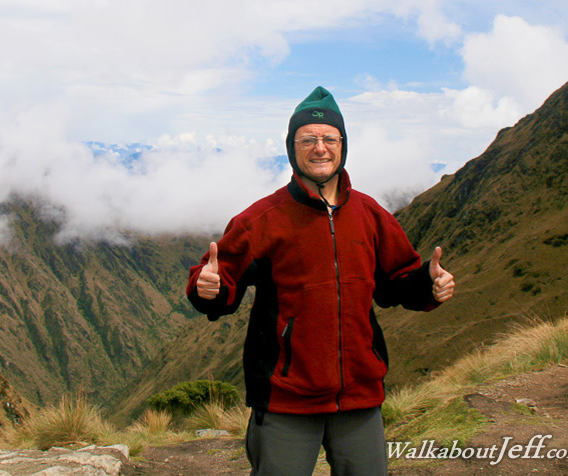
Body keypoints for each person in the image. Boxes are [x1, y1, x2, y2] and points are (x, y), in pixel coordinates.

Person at [185, 86, 455, 475]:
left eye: (330, 138)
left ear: (344, 145)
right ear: (292, 148)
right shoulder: (261, 220)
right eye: (307, 139)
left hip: (360, 397)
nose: (320, 148)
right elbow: (218, 279)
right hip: (285, 401)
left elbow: (396, 281)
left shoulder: (370, 215)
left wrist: (428, 285)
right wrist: (206, 289)